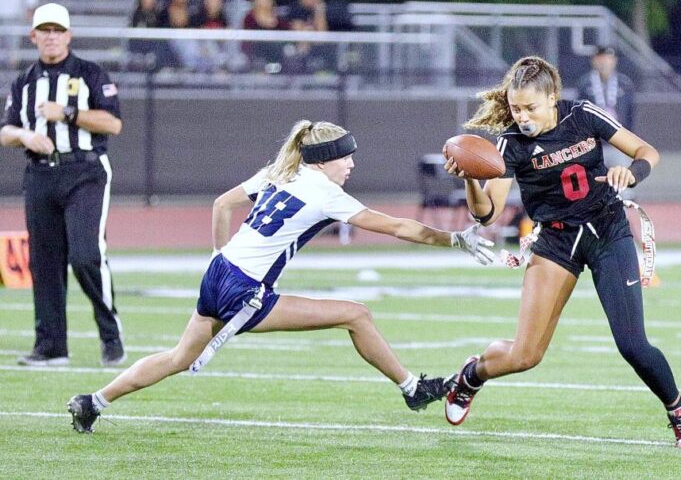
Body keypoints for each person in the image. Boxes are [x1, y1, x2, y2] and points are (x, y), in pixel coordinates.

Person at [66, 119, 495, 433]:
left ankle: (93, 402)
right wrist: (456, 240)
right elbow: (399, 227)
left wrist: (219, 255)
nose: (350, 165)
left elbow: (221, 205)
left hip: (219, 272)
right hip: (244, 289)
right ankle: (411, 388)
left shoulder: (280, 171)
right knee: (357, 315)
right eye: (346, 157)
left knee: (179, 357)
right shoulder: (325, 191)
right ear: (325, 160)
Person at [441, 56, 681, 449]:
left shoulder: (581, 114)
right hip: (556, 241)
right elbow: (486, 215)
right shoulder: (509, 144)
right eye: (516, 108)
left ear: (552, 98)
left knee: (632, 344)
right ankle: (471, 376)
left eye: (530, 107)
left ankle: (679, 412)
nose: (522, 117)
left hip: (606, 230)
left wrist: (631, 172)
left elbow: (647, 151)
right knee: (526, 355)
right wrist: (473, 181)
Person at [0, 3, 125, 367]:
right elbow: (5, 129)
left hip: (84, 172)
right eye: (45, 30)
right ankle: (52, 346)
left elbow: (113, 123)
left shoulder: (89, 73)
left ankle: (110, 334)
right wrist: (26, 135)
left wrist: (67, 113)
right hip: (40, 174)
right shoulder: (23, 81)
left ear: (68, 35)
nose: (51, 36)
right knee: (44, 261)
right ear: (34, 36)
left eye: (58, 30)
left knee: (86, 255)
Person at [576, 46, 636, 197]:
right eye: (601, 59)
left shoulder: (625, 84)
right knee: (593, 186)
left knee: (622, 184)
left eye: (608, 59)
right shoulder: (585, 84)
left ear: (614, 61)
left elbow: (631, 115)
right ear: (594, 61)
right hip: (594, 145)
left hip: (617, 143)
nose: (604, 63)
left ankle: (622, 217)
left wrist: (629, 142)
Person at [241, 0, 290, 71]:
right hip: (255, 54)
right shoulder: (249, 17)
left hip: (276, 56)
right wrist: (264, 21)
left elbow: (288, 32)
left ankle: (274, 71)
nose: (263, 1)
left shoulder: (278, 19)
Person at [0, 0, 39, 68]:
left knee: (13, 47)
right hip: (11, 8)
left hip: (14, 9)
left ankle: (11, 71)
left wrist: (30, 5)